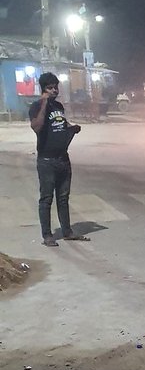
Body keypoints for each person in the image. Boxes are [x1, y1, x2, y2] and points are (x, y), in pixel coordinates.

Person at [29, 73, 87, 247]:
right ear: (43, 89)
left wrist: (72, 128)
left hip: (63, 158)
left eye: (56, 87)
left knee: (63, 197)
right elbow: (37, 127)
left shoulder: (59, 106)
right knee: (46, 198)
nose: (55, 90)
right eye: (50, 87)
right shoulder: (37, 106)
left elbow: (61, 124)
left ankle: (67, 231)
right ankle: (47, 235)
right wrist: (45, 103)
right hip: (46, 160)